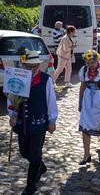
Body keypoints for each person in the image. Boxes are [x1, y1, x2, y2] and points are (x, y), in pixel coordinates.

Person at [7, 50, 58, 195]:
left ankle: (30, 186)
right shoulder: (17, 78)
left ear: (38, 65)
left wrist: (52, 120)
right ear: (23, 65)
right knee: (24, 152)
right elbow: (11, 99)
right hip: (21, 123)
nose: (31, 69)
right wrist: (12, 115)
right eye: (28, 66)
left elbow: (51, 101)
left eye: (34, 66)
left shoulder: (45, 80)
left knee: (34, 155)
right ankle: (40, 166)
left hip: (39, 124)